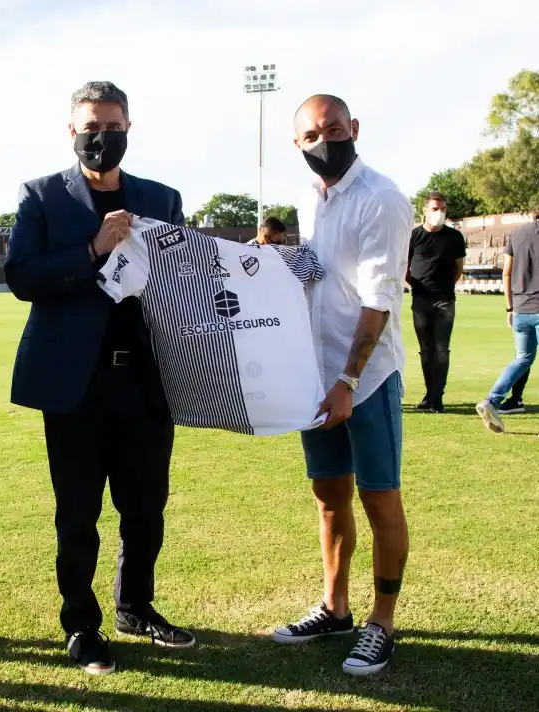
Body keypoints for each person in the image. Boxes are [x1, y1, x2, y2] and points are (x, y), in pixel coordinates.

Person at [4, 80, 195, 676]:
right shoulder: (40, 196)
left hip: (145, 379)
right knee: (78, 509)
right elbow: (21, 277)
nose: (101, 136)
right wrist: (93, 248)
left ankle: (135, 605)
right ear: (71, 131)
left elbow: (184, 276)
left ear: (128, 129)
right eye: (91, 126)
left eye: (113, 126)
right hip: (74, 383)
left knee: (146, 505)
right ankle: (81, 625)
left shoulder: (161, 198)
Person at [273, 94, 412, 677]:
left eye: (332, 128)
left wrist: (350, 380)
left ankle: (381, 621)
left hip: (366, 379)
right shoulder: (314, 198)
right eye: (310, 134)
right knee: (329, 499)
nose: (323, 139)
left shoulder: (381, 198)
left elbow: (379, 299)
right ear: (298, 144)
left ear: (354, 128)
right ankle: (336, 608)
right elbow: (324, 272)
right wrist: (280, 259)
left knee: (379, 497)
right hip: (317, 376)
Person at [475, 205, 539, 433]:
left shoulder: (517, 234)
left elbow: (507, 272)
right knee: (523, 359)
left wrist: (510, 308)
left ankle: (492, 400)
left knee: (522, 358)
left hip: (520, 309)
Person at [406, 193, 467, 413]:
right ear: (425, 211)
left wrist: (446, 287)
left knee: (441, 350)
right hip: (421, 301)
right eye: (435, 209)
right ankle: (429, 393)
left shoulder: (454, 237)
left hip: (445, 301)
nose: (439, 213)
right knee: (426, 350)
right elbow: (405, 267)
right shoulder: (414, 236)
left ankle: (437, 397)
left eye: (442, 209)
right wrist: (415, 285)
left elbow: (458, 268)